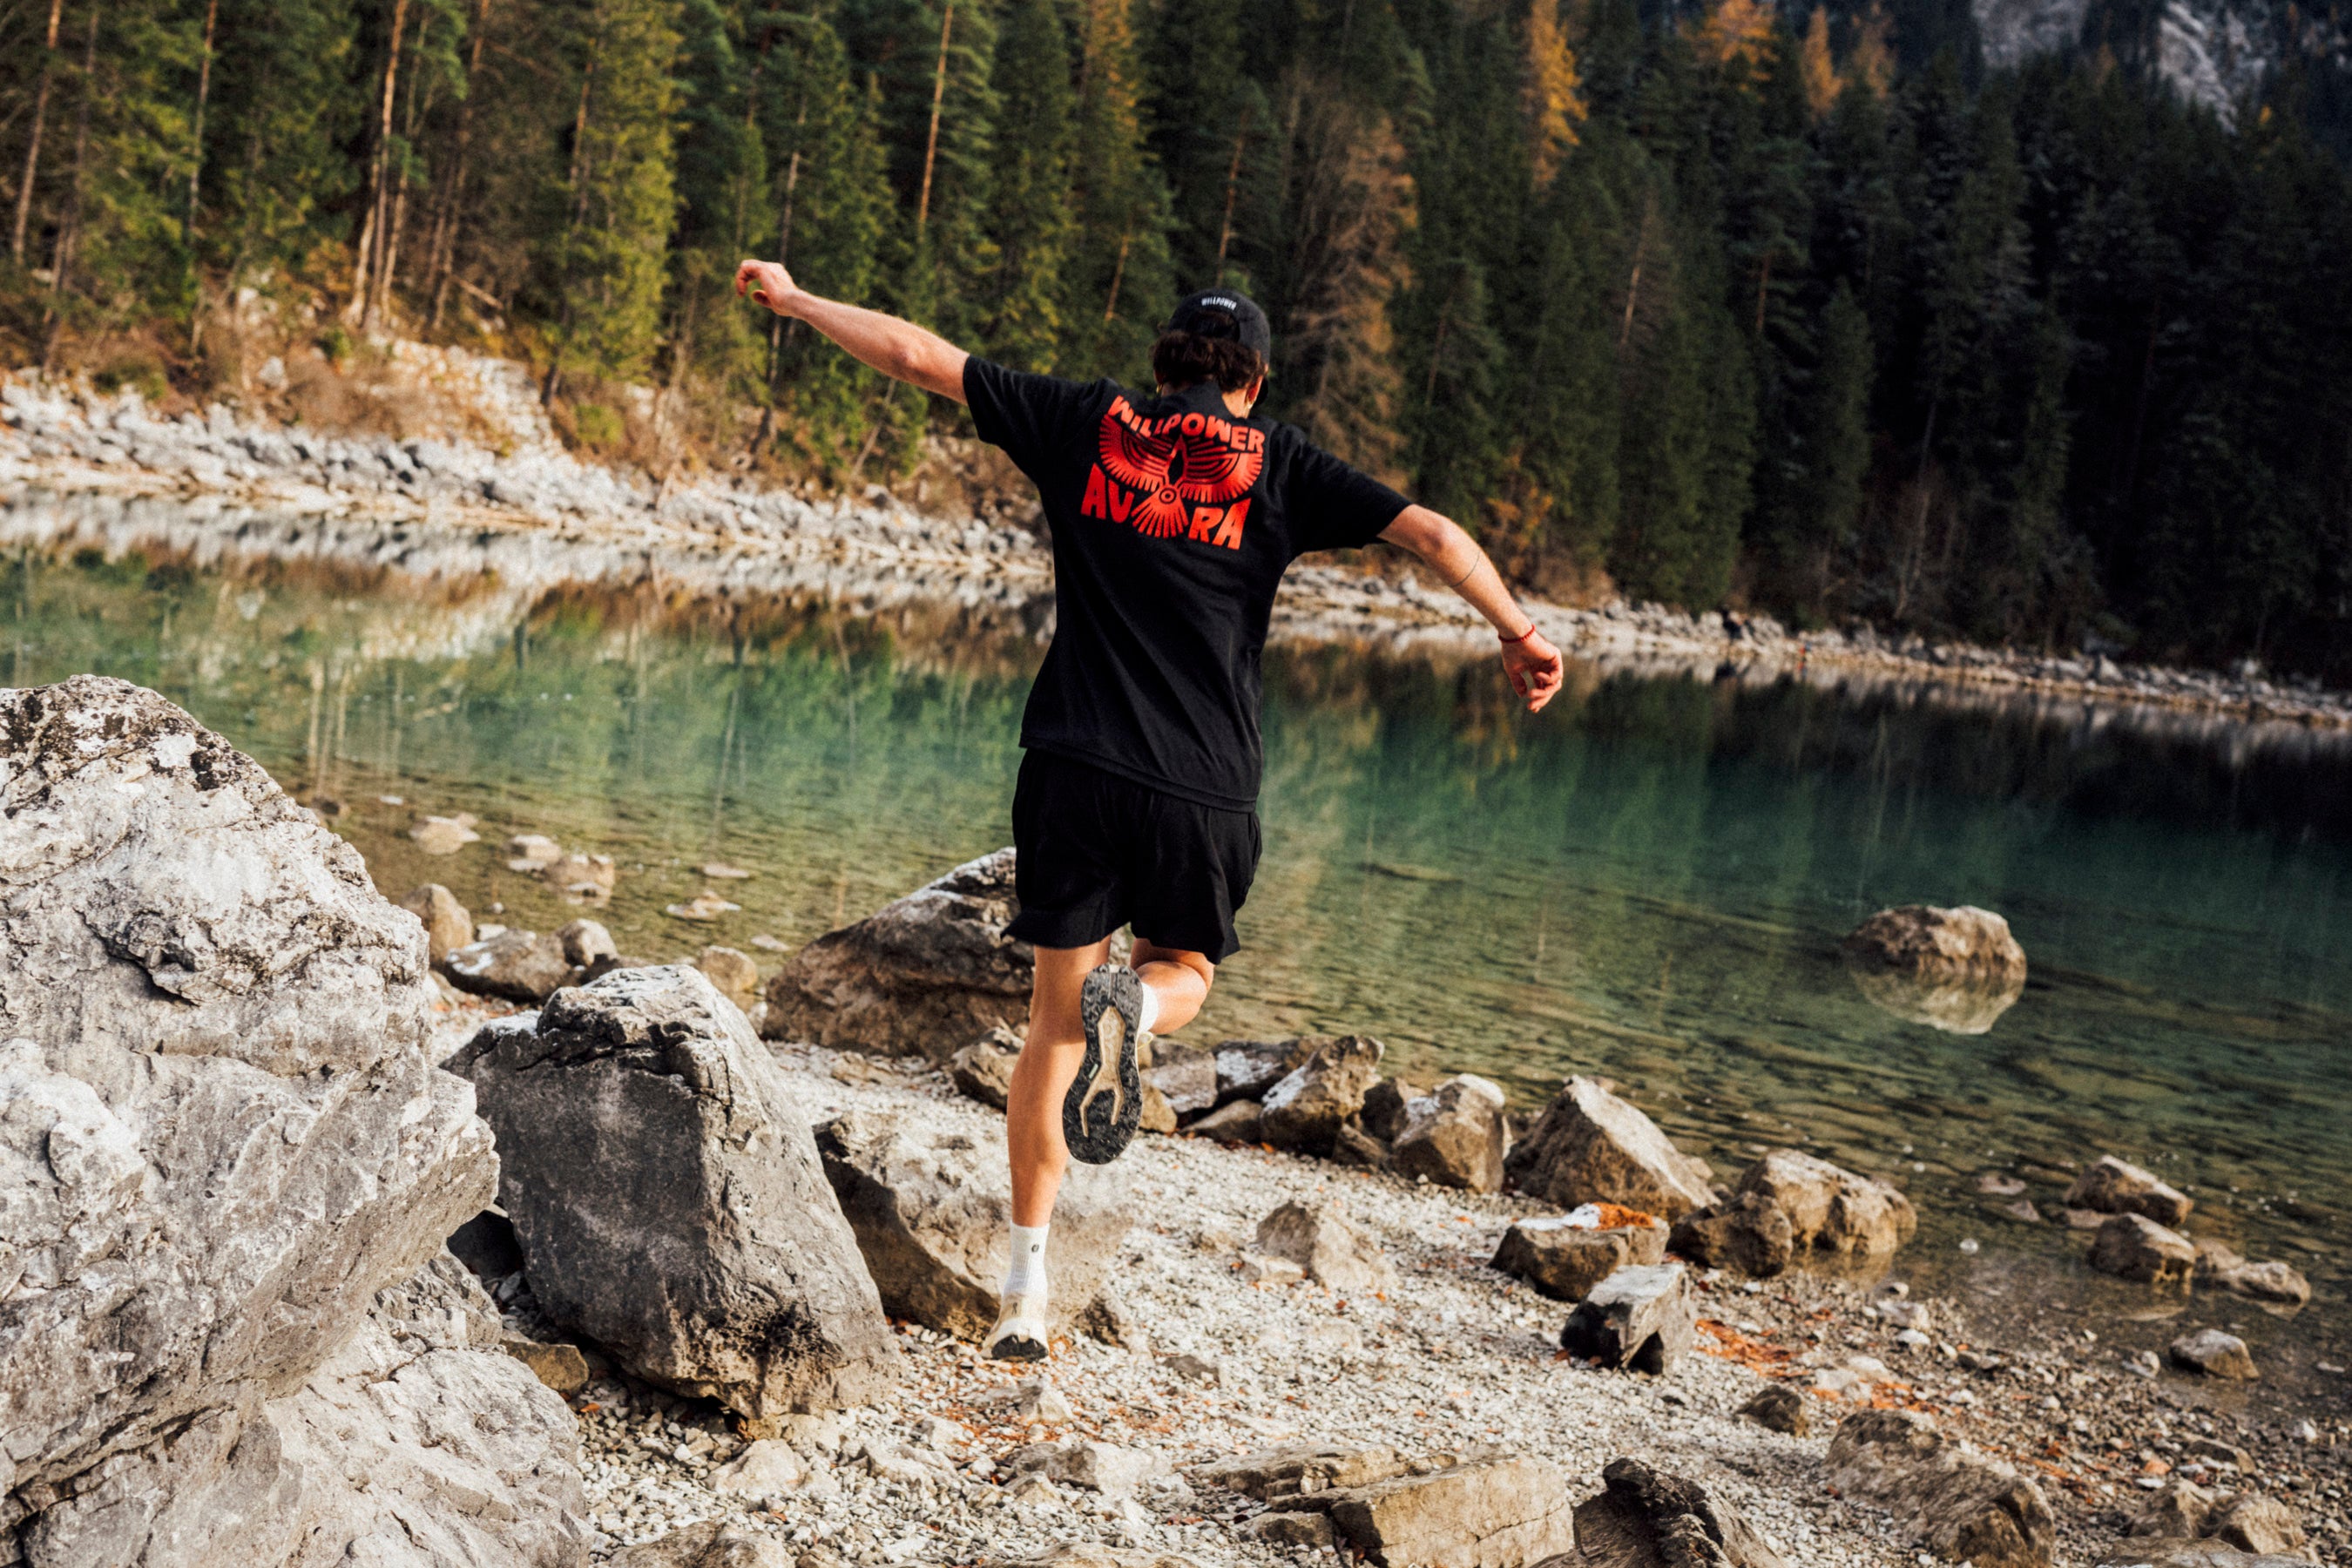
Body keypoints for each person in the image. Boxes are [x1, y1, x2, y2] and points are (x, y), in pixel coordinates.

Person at [735, 259, 1565, 1362]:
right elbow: (1436, 536)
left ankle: (1022, 1299)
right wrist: (1516, 629)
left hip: (1075, 765)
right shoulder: (1280, 467)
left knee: (1049, 1027)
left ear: (1166, 362)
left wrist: (796, 301)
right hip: (1204, 786)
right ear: (1254, 382)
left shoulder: (1086, 421)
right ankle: (1147, 1011)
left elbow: (919, 357)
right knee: (1187, 972)